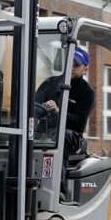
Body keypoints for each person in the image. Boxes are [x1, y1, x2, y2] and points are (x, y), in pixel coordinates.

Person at [34, 47, 95, 197]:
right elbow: (33, 106)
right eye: (70, 64)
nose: (72, 68)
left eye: (76, 65)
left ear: (85, 69)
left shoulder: (87, 92)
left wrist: (58, 111)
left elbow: (79, 122)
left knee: (58, 137)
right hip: (45, 131)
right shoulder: (51, 83)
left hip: (72, 135)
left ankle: (57, 190)